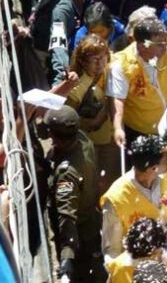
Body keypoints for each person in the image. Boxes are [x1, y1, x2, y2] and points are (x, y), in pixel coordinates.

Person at [44, 105, 106, 283]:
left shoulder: (67, 173)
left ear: (56, 138)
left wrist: (66, 256)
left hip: (80, 237)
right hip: (93, 224)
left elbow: (67, 215)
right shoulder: (83, 140)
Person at [100, 135, 167, 260]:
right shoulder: (116, 199)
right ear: (153, 168)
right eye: (165, 160)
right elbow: (112, 251)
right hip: (137, 267)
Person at [107, 18, 167, 145]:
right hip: (140, 133)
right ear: (142, 46)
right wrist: (118, 127)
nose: (165, 46)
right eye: (159, 43)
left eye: (165, 40)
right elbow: (117, 99)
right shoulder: (121, 65)